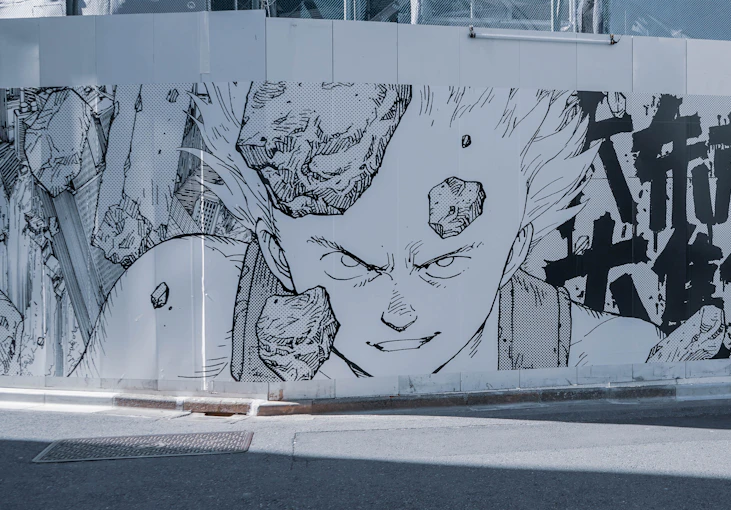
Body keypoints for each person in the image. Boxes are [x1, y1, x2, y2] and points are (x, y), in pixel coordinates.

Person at [84, 82, 668, 382]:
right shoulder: (186, 308)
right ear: (272, 246)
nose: (400, 311)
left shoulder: (601, 351)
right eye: (350, 263)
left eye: (443, 262)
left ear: (516, 247)